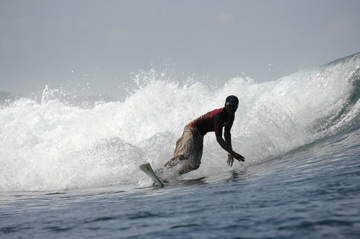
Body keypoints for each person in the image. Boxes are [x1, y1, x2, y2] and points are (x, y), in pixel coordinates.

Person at [156, 95, 245, 177]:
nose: (231, 108)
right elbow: (219, 138)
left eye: (234, 107)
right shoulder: (219, 116)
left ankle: (173, 175)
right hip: (192, 128)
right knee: (185, 154)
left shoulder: (231, 116)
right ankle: (161, 171)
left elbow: (227, 133)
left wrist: (230, 152)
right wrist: (233, 153)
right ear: (225, 105)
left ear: (237, 107)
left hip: (200, 134)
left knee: (194, 165)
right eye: (229, 106)